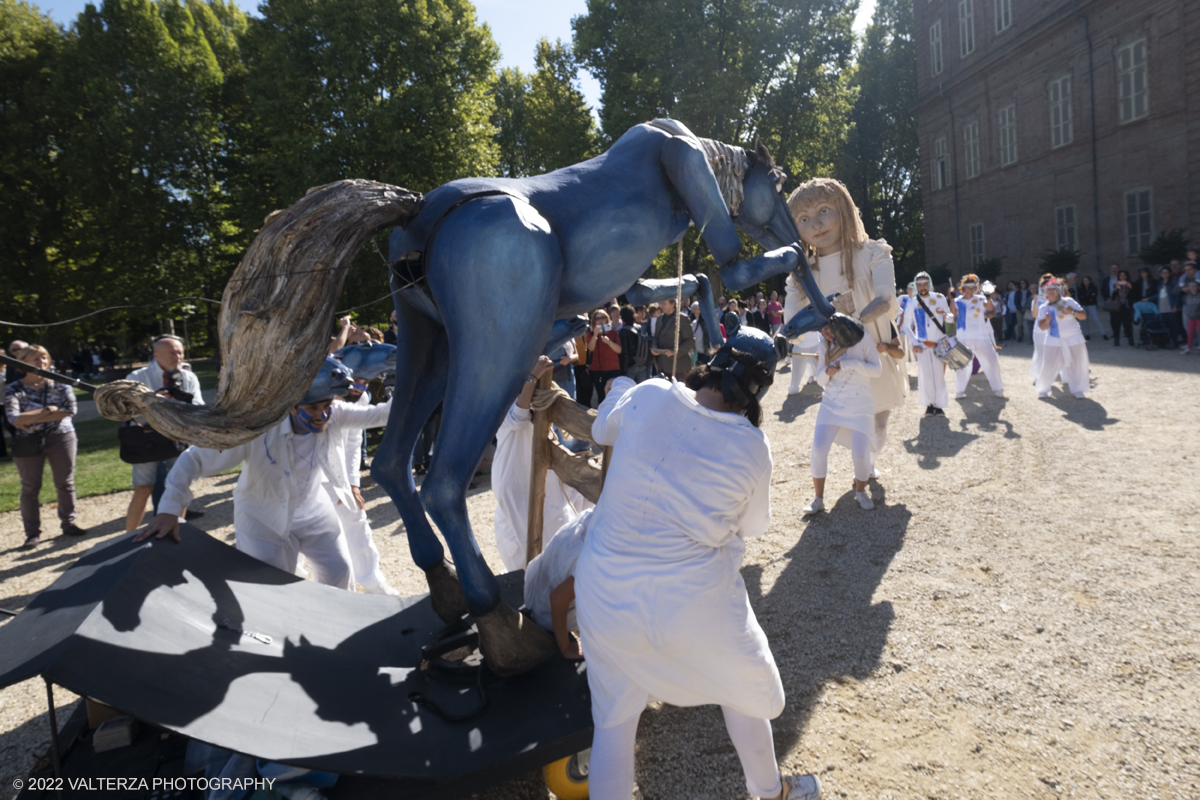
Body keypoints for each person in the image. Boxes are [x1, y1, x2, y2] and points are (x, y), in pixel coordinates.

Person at [575, 328, 822, 800]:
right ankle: (771, 792)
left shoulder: (649, 394)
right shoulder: (752, 446)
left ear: (713, 361)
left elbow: (601, 428)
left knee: (613, 719)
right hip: (690, 601)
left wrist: (622, 388)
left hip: (604, 590)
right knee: (738, 685)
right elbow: (752, 526)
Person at [135, 358, 392, 590]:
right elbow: (194, 459)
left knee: (339, 571)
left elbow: (382, 414)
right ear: (291, 406)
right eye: (312, 408)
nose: (322, 415)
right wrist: (169, 509)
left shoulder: (335, 415)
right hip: (263, 519)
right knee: (274, 584)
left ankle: (335, 630)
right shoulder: (256, 431)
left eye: (327, 405)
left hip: (315, 513)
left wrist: (411, 373)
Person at [785, 177, 907, 452]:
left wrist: (857, 323)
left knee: (879, 417)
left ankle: (869, 461)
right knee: (851, 418)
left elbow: (886, 298)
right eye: (804, 218)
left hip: (875, 345)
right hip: (838, 354)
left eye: (824, 210)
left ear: (844, 209)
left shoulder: (873, 252)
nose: (816, 224)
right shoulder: (805, 272)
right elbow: (791, 322)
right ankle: (864, 462)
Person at [492, 356, 589, 573]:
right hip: (514, 481)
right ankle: (538, 583)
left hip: (538, 478)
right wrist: (533, 376)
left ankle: (553, 581)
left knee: (557, 522)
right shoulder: (502, 405)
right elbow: (518, 417)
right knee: (526, 537)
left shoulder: (539, 414)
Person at [5, 345, 87, 548]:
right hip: (27, 443)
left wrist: (32, 417)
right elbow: (15, 419)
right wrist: (47, 411)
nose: (41, 362)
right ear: (23, 363)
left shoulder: (60, 384)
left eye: (44, 358)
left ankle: (69, 523)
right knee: (30, 487)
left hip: (61, 437)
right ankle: (32, 533)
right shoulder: (14, 388)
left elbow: (69, 410)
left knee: (65, 483)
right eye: (35, 359)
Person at [123, 335, 206, 532]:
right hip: (145, 439)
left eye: (180, 352)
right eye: (172, 352)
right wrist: (152, 399)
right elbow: (124, 410)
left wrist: (182, 405)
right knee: (143, 488)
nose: (177, 356)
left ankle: (178, 532)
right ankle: (128, 537)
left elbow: (199, 407)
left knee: (180, 486)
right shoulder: (137, 377)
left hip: (177, 438)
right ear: (156, 355)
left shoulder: (188, 377)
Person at [803, 316, 880, 514]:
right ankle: (818, 498)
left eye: (828, 327)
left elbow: (877, 370)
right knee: (819, 449)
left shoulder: (863, 338)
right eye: (822, 330)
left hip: (860, 404)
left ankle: (861, 491)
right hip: (831, 403)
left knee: (861, 454)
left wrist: (852, 363)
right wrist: (826, 372)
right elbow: (820, 378)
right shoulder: (824, 345)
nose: (826, 333)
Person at [334, 366, 400, 596]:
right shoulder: (314, 400)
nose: (360, 388)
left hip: (338, 473)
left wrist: (353, 483)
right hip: (302, 480)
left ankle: (372, 581)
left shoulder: (358, 398)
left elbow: (353, 441)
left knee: (356, 517)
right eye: (356, 382)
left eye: (366, 382)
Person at [523, 508, 592, 660]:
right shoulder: (596, 554)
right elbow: (558, 597)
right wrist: (566, 648)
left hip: (535, 588)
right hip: (546, 613)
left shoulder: (594, 515)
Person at [902, 271, 952, 416]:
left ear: (929, 284)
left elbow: (949, 318)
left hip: (939, 344)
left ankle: (940, 405)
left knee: (939, 376)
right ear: (916, 286)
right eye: (920, 284)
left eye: (925, 283)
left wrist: (946, 315)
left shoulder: (940, 298)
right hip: (922, 345)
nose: (923, 286)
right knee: (926, 377)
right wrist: (915, 342)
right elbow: (906, 326)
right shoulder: (912, 303)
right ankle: (929, 405)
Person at [953, 274, 1005, 398]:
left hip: (981, 335)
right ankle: (959, 391)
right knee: (964, 364)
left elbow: (990, 312)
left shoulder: (981, 299)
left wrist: (988, 297)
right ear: (963, 288)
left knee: (992, 360)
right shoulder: (957, 301)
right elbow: (953, 316)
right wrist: (950, 299)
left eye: (973, 288)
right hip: (964, 337)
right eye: (968, 288)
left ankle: (998, 388)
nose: (970, 290)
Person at [1035, 280, 1090, 398]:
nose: (1051, 291)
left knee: (1077, 364)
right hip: (1053, 339)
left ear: (1060, 290)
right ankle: (1043, 389)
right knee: (1048, 365)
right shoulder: (1044, 307)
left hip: (1074, 338)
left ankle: (1078, 389)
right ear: (1045, 292)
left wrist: (1072, 311)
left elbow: (1083, 316)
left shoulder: (1068, 302)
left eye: (1054, 288)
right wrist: (1047, 321)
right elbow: (1042, 327)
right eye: (1048, 289)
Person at [650, 298, 695, 381]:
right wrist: (654, 347)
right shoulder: (659, 318)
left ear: (673, 304)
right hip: (662, 366)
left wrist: (674, 351)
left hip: (679, 367)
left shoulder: (682, 318)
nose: (661, 306)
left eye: (664, 303)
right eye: (660, 303)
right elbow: (656, 337)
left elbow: (690, 341)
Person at [585, 308, 624, 403]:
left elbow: (619, 350)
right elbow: (591, 348)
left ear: (607, 319)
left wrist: (609, 342)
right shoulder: (590, 334)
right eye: (597, 318)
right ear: (594, 321)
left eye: (602, 318)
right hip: (597, 370)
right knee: (602, 396)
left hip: (613, 369)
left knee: (614, 396)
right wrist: (595, 335)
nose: (600, 320)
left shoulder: (613, 333)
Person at [1156, 266, 1184, 347]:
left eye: (1166, 272)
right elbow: (1158, 294)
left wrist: (1175, 306)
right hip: (1161, 307)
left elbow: (1177, 295)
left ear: (1170, 273)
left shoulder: (1174, 281)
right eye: (1162, 273)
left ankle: (1175, 342)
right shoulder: (1159, 282)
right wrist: (1148, 298)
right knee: (1165, 325)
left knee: (1174, 325)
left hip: (1171, 307)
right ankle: (1167, 342)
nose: (1164, 274)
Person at [1106, 269, 1135, 346]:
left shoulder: (1131, 283)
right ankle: (1116, 340)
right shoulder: (1117, 284)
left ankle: (1130, 339)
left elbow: (1134, 295)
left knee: (1127, 323)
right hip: (1117, 306)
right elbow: (1114, 296)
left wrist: (1131, 288)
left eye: (1124, 275)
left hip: (1126, 306)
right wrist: (1115, 289)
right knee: (1116, 323)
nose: (1122, 277)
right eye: (1121, 275)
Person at [1076, 276, 1103, 340]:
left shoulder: (1093, 288)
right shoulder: (1081, 288)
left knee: (1096, 319)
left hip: (1091, 305)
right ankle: (1087, 334)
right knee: (1085, 320)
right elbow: (1080, 297)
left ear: (1090, 281)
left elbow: (1093, 296)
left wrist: (1087, 299)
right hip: (1084, 305)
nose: (1085, 282)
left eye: (1087, 280)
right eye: (1084, 281)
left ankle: (1103, 333)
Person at [1181, 281, 1200, 354]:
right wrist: (1188, 313)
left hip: (1199, 317)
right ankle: (1188, 347)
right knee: (1190, 333)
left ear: (1197, 287)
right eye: (1190, 286)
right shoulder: (1186, 297)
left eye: (1194, 286)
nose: (1192, 287)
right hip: (1191, 317)